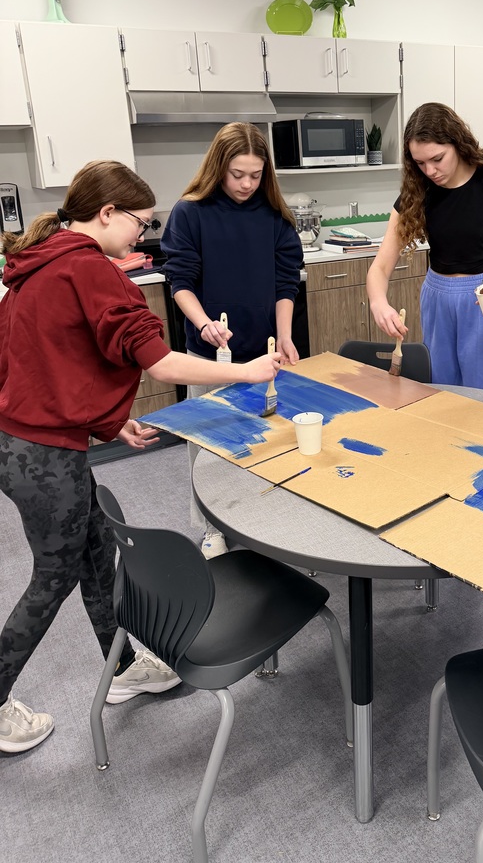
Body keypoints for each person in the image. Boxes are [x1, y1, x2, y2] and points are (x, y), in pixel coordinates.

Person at [0, 160, 280, 754]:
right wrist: (246, 370)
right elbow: (160, 362)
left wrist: (107, 420)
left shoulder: (39, 261)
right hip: (41, 454)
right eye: (139, 223)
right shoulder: (86, 269)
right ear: (107, 213)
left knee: (98, 551)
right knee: (53, 577)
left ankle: (123, 667)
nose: (141, 236)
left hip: (21, 443)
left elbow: (47, 363)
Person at [161, 122, 303, 558]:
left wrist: (284, 335)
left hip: (262, 356)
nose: (246, 184)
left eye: (255, 175)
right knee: (207, 444)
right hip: (208, 355)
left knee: (264, 439)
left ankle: (263, 518)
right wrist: (204, 323)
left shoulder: (273, 215)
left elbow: (285, 282)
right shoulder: (190, 212)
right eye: (237, 174)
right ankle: (210, 527)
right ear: (218, 167)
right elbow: (179, 282)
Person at [367, 103, 483, 393]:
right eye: (420, 163)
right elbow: (380, 267)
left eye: (437, 159)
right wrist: (378, 302)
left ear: (457, 143)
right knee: (442, 393)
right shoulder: (418, 191)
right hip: (437, 296)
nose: (430, 170)